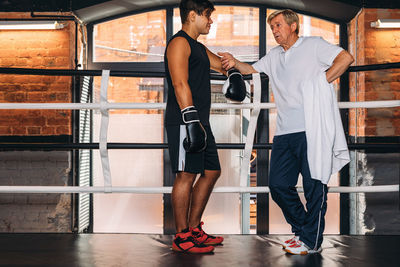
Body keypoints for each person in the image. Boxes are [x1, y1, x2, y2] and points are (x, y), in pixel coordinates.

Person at [219, 9, 354, 255]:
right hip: (284, 132)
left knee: (315, 187)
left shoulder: (313, 46)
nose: (275, 31)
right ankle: (305, 231)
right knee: (278, 186)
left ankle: (311, 242)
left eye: (278, 25)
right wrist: (233, 60)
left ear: (293, 26)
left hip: (312, 128)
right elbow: (250, 69)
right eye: (272, 27)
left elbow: (345, 58)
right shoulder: (274, 56)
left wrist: (320, 82)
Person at [164, 0, 234, 254]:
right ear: (192, 15)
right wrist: (191, 120)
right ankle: (182, 236)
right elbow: (180, 83)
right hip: (186, 121)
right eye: (207, 16)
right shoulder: (179, 43)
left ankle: (194, 229)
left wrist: (233, 70)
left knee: (212, 171)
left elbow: (223, 65)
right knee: (185, 175)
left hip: (201, 122)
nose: (211, 21)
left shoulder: (198, 47)